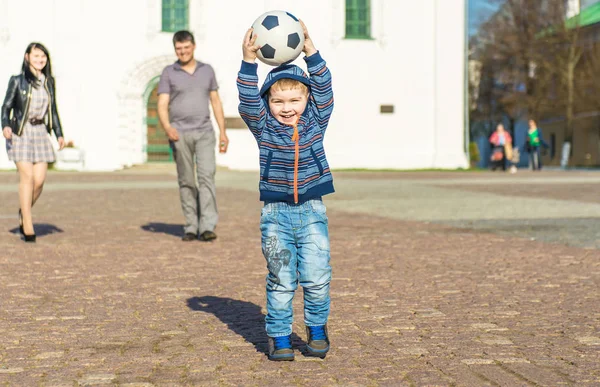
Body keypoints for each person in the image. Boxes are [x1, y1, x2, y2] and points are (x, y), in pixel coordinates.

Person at [237, 21, 334, 361]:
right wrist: (248, 62)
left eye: (295, 99)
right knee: (281, 280)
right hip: (276, 216)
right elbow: (249, 102)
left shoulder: (315, 123)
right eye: (278, 101)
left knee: (317, 276)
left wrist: (311, 50)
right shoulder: (264, 128)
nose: (287, 107)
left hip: (311, 212)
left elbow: (324, 89)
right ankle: (278, 336)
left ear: (306, 100)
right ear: (269, 102)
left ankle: (317, 329)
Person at [157, 30, 229, 242]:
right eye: (179, 49)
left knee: (206, 177)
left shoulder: (207, 71)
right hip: (180, 134)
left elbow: (215, 101)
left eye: (186, 48)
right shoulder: (169, 72)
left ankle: (207, 226)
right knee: (187, 180)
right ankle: (191, 225)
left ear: (194, 46)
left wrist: (223, 131)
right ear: (175, 49)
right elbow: (162, 103)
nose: (183, 52)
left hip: (204, 132)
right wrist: (167, 127)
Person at [1, 42, 65, 243]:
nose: (40, 59)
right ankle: (27, 224)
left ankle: (24, 209)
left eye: (43, 56)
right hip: (20, 131)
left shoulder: (49, 82)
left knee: (39, 181)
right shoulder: (17, 81)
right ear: (27, 57)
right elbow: (6, 107)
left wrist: (59, 133)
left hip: (40, 132)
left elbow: (53, 110)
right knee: (27, 177)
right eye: (36, 55)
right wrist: (5, 126)